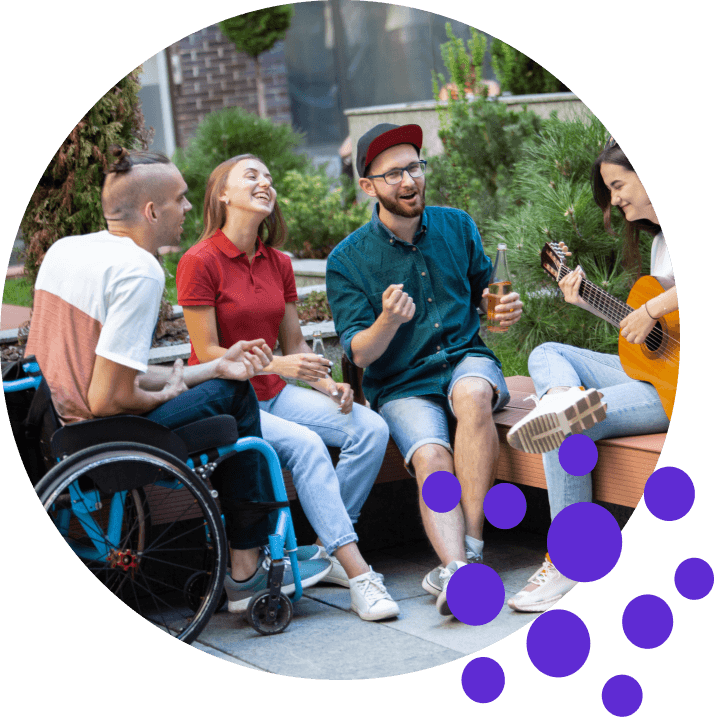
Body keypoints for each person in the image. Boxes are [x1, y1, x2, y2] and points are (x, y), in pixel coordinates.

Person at [25, 146, 332, 614]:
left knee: (224, 381)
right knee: (235, 395)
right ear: (151, 211)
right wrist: (169, 392)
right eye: (181, 199)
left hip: (57, 429)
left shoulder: (68, 250)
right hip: (103, 435)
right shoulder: (139, 270)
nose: (190, 208)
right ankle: (246, 568)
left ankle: (245, 559)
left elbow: (100, 370)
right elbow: (108, 397)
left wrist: (209, 367)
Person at [176, 154, 399, 622]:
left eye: (269, 178)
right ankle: (360, 574)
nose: (265, 183)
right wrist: (283, 363)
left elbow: (295, 344)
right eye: (251, 176)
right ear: (222, 194)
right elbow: (209, 352)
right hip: (230, 402)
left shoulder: (278, 262)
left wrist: (327, 384)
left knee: (370, 429)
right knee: (308, 446)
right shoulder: (199, 261)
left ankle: (328, 546)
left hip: (276, 392)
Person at [325, 123, 524, 618]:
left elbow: (487, 301)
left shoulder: (458, 226)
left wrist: (501, 313)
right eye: (393, 174)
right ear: (368, 186)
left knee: (473, 396)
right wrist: (389, 320)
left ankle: (471, 553)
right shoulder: (347, 260)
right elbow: (361, 354)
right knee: (432, 458)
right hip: (402, 383)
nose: (409, 181)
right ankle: (458, 571)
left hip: (465, 359)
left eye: (414, 166)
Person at [506, 136, 676, 612]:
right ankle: (561, 396)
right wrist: (586, 298)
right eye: (610, 190)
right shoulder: (661, 245)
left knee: (563, 430)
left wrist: (655, 307)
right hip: (659, 377)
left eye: (618, 184)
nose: (616, 199)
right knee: (546, 354)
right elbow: (656, 337)